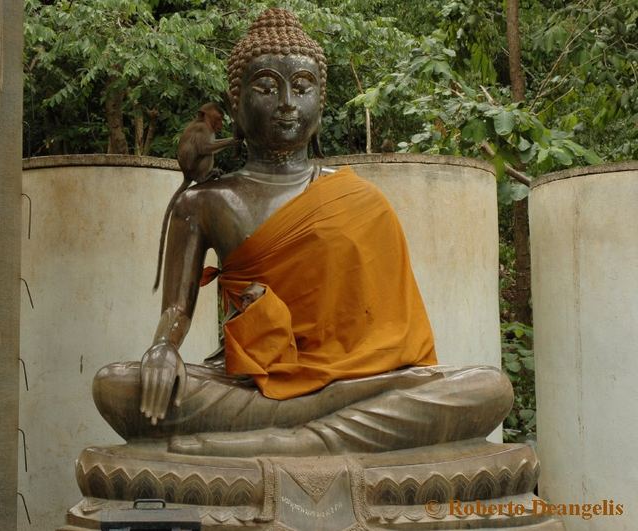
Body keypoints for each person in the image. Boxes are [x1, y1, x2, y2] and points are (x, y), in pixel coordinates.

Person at [93, 8, 512, 457]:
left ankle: (298, 440)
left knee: (488, 388)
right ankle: (322, 436)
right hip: (254, 383)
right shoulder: (204, 202)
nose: (288, 102)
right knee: (117, 386)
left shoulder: (361, 201)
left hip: (356, 382)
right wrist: (162, 349)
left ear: (321, 102)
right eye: (268, 87)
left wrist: (350, 384)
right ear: (235, 103)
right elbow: (177, 308)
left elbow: (392, 340)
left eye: (303, 87)